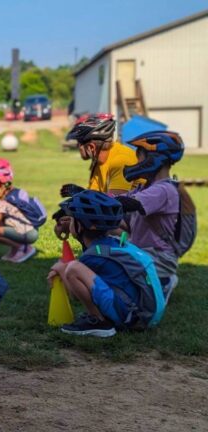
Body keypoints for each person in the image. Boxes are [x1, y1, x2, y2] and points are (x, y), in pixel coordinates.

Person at [48, 190, 164, 338]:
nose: (68, 222)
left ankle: (99, 322)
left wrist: (60, 268)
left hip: (131, 317)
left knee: (73, 269)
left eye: (71, 219)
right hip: (144, 315)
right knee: (73, 267)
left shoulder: (93, 256)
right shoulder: (110, 245)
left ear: (82, 226)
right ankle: (105, 317)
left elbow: (74, 294)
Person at [116, 130, 186, 302]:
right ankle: (158, 279)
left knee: (113, 280)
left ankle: (162, 281)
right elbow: (124, 214)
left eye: (138, 156)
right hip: (143, 251)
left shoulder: (163, 190)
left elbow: (129, 203)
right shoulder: (145, 189)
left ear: (153, 158)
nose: (135, 162)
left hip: (157, 256)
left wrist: (99, 203)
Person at [55, 114, 141, 238]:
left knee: (88, 222)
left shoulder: (120, 160)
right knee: (80, 221)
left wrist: (75, 217)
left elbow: (114, 206)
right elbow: (94, 199)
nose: (78, 147)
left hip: (141, 221)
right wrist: (66, 215)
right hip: (128, 217)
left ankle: (128, 249)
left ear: (91, 147)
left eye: (79, 143)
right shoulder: (100, 162)